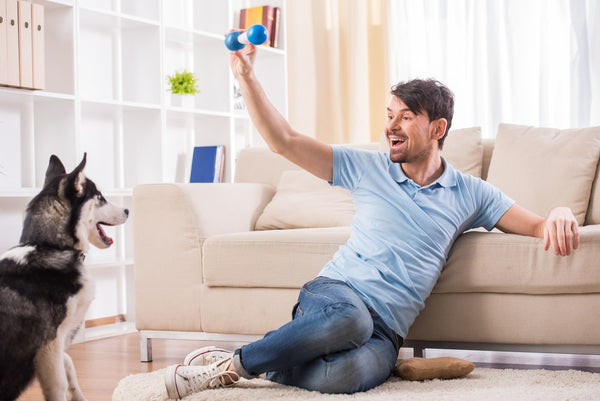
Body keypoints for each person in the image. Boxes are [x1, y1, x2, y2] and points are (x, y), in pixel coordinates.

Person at [163, 35, 580, 399]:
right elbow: (283, 141)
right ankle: (231, 367)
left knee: (344, 374)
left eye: (405, 116)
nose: (391, 126)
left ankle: (283, 361)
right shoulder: (366, 167)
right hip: (337, 295)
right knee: (350, 319)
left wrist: (559, 211)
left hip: (388, 329)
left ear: (437, 129)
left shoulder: (470, 193)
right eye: (389, 114)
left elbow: (538, 224)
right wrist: (246, 77)